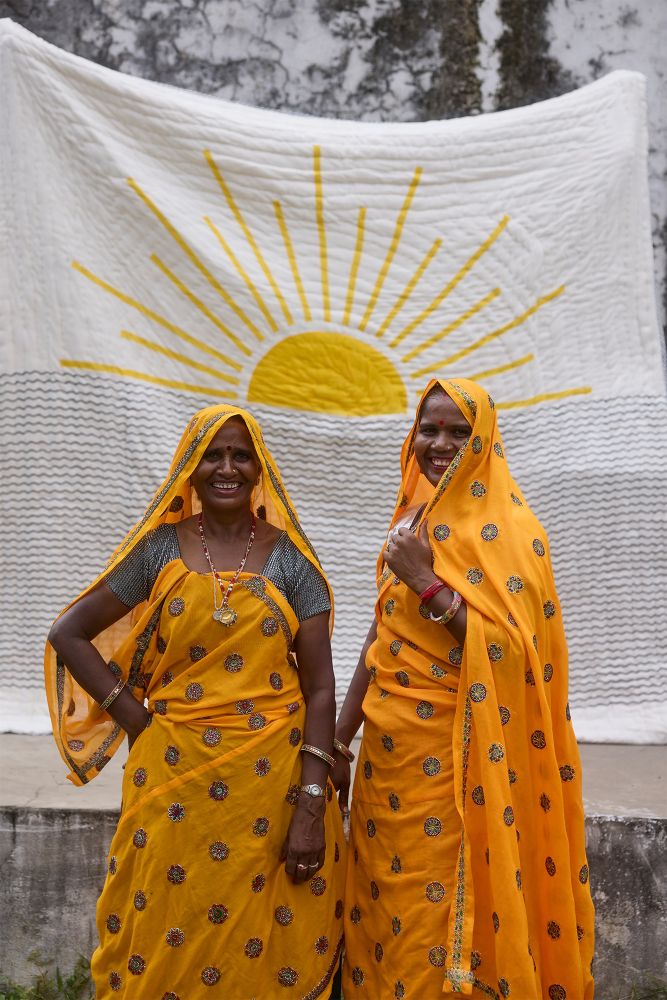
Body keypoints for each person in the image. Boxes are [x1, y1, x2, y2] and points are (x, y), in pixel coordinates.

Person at [45, 404, 345, 1000]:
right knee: (159, 920)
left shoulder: (291, 562)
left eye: (240, 455)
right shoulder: (159, 552)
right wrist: (132, 716)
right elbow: (68, 633)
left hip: (274, 784)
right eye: (213, 454)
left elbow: (319, 687)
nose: (226, 467)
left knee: (264, 941)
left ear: (260, 470)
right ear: (190, 466)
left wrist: (311, 802)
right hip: (172, 777)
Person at [333, 378, 595, 999]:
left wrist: (426, 581)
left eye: (458, 431)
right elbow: (381, 635)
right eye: (429, 429)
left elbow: (515, 657)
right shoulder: (411, 521)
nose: (440, 443)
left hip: (463, 768)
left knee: (445, 919)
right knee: (383, 912)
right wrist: (336, 741)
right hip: (386, 767)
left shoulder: (511, 529)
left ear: (484, 442)